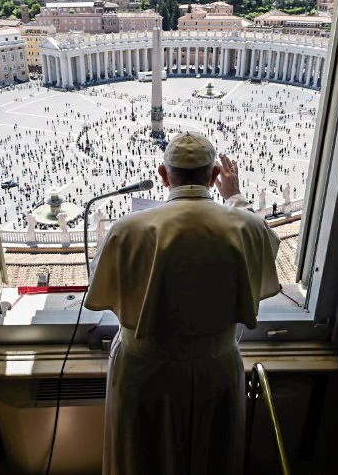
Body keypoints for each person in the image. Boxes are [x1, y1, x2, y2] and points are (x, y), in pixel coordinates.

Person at [86, 132, 281, 475]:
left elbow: (103, 291)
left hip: (144, 372)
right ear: (214, 175)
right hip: (215, 370)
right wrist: (234, 197)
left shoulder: (125, 230)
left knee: (140, 458)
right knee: (213, 458)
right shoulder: (246, 226)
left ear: (163, 174)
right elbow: (264, 242)